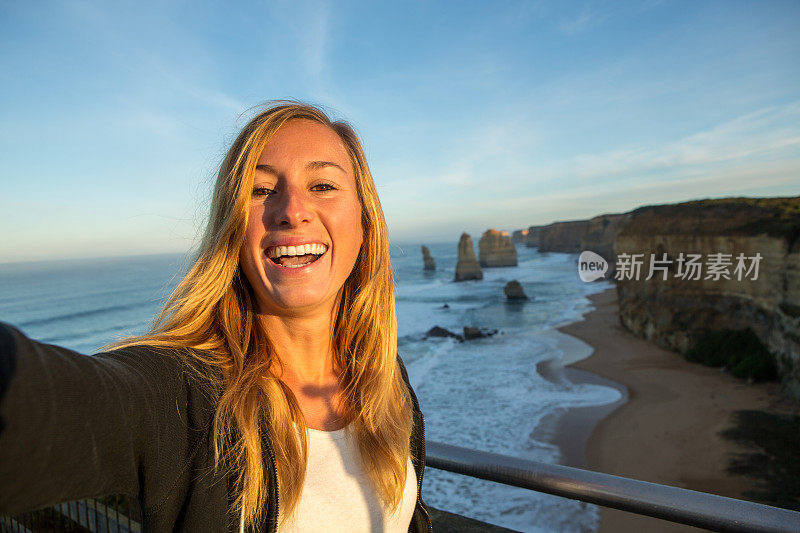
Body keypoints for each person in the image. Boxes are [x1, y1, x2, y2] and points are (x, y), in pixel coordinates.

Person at [0, 101, 432, 532]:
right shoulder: (185, 395)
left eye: (322, 185)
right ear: (232, 228)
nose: (291, 210)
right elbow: (46, 404)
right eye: (260, 191)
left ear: (365, 221)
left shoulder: (385, 380)